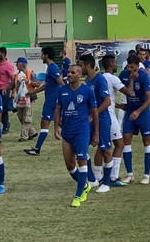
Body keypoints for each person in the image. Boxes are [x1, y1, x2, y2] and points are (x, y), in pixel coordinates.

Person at [54, 64, 99, 207]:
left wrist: (96, 133)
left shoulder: (87, 91)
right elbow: (57, 109)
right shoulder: (62, 90)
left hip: (82, 131)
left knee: (81, 160)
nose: (69, 74)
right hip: (67, 132)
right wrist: (56, 128)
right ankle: (85, 185)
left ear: (79, 75)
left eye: (72, 72)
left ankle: (78, 196)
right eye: (68, 72)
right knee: (70, 165)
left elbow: (95, 112)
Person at [79, 53, 114, 193]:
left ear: (88, 66)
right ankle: (92, 180)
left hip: (102, 120)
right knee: (82, 148)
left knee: (105, 150)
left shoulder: (100, 80)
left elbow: (107, 102)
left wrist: (93, 115)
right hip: (90, 120)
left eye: (81, 65)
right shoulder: (88, 80)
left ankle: (106, 183)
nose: (80, 68)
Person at [118, 55, 150, 185]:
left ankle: (146, 175)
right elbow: (123, 90)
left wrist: (138, 111)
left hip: (142, 113)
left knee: (147, 141)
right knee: (126, 140)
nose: (130, 70)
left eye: (133, 67)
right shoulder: (123, 75)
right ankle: (130, 175)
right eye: (128, 67)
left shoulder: (144, 76)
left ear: (138, 66)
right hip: (130, 112)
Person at [101, 54, 134, 186]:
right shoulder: (113, 78)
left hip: (101, 115)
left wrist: (119, 105)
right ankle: (113, 177)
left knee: (103, 147)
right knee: (119, 144)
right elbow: (129, 92)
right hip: (109, 115)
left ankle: (100, 176)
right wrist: (132, 80)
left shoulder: (100, 77)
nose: (116, 65)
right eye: (115, 62)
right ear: (110, 64)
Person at [24, 46, 64, 156]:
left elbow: (61, 82)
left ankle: (37, 149)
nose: (41, 56)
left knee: (45, 124)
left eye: (42, 54)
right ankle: (78, 137)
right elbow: (47, 85)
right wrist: (33, 92)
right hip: (51, 100)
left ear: (46, 55)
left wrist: (69, 93)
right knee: (60, 122)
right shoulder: (50, 68)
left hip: (52, 101)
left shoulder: (52, 68)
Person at [12, 57, 38, 142]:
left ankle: (24, 136)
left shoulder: (30, 73)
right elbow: (12, 84)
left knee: (26, 117)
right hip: (20, 99)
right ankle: (32, 132)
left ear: (22, 64)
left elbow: (37, 84)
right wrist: (6, 88)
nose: (16, 65)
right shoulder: (17, 75)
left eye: (17, 63)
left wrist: (29, 81)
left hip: (29, 98)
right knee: (20, 117)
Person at [0, 46, 15, 134]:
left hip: (4, 89)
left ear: (3, 54)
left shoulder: (8, 65)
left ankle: (5, 126)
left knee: (3, 109)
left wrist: (11, 90)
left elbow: (13, 79)